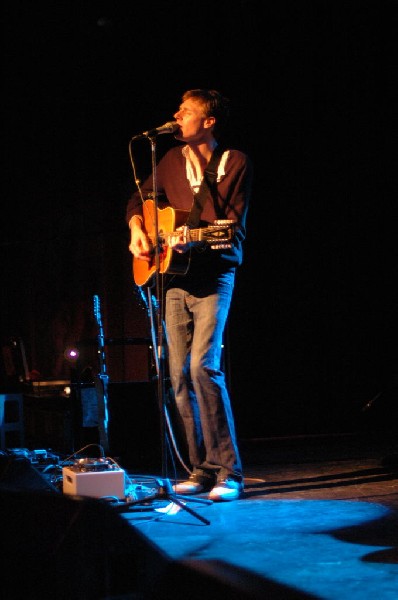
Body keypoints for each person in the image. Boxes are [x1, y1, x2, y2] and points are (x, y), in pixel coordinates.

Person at [126, 89, 253, 501]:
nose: (177, 116)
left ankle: (228, 471)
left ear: (209, 121)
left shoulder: (234, 162)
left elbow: (226, 227)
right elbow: (137, 199)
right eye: (178, 110)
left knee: (203, 368)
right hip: (175, 280)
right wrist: (138, 231)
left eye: (187, 111)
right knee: (178, 376)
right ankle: (200, 469)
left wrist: (192, 240)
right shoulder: (168, 161)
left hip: (215, 275)